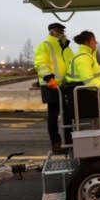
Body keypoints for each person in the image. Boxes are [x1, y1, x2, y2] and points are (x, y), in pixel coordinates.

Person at [34, 22, 74, 153]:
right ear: (52, 32)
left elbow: (72, 65)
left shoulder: (66, 48)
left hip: (65, 85)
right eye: (59, 30)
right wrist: (48, 78)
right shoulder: (44, 45)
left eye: (62, 30)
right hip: (50, 85)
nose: (62, 33)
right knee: (53, 113)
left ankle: (69, 140)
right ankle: (56, 143)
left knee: (68, 113)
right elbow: (40, 63)